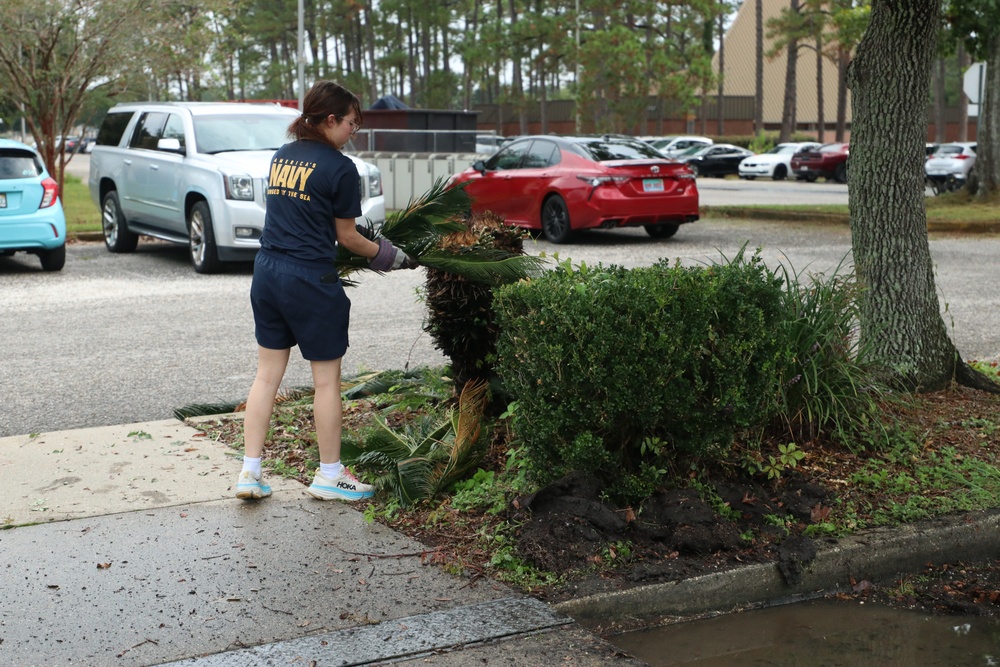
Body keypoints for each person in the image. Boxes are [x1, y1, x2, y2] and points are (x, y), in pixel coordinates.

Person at [235, 80, 415, 502]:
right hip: (309, 280)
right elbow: (347, 237)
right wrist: (389, 256)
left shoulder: (282, 156)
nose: (354, 131)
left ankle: (250, 472)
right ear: (330, 119)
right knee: (326, 382)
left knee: (266, 376)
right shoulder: (340, 167)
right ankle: (330, 475)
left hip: (267, 272)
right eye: (351, 123)